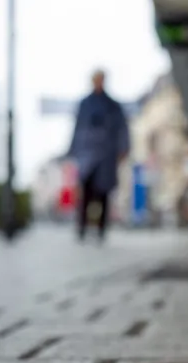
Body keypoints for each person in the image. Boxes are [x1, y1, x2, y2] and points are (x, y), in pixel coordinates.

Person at [66, 69, 130, 243]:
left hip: (106, 154)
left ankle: (101, 229)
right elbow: (77, 128)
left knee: (103, 193)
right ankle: (82, 228)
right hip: (87, 153)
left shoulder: (113, 106)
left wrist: (123, 149)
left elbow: (122, 129)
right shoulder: (84, 104)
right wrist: (73, 151)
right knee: (85, 192)